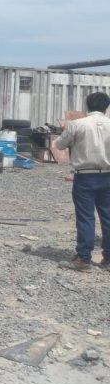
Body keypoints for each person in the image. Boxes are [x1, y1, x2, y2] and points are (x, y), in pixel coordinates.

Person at [55, 91, 110, 271]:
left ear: (88, 105)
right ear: (106, 107)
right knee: (108, 217)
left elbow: (60, 145)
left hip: (85, 176)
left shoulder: (77, 124)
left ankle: (83, 259)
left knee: (86, 217)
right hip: (108, 175)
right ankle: (108, 259)